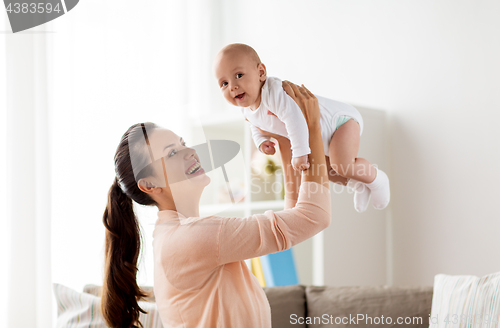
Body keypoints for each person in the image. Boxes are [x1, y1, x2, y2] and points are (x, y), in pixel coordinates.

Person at [100, 82, 331, 328]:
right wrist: (312, 126)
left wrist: (287, 140)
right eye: (171, 153)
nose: (189, 151)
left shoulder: (184, 235)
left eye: (183, 143)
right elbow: (314, 216)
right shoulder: (194, 237)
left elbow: (294, 219)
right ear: (149, 185)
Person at [213, 43, 391, 212]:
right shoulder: (247, 111)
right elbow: (256, 126)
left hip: (340, 122)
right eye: (224, 83)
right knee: (324, 168)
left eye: (238, 75)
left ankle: (377, 179)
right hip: (321, 136)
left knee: (342, 165)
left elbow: (294, 118)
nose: (233, 86)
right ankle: (358, 183)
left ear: (261, 72)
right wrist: (261, 141)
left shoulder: (273, 92)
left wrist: (299, 153)